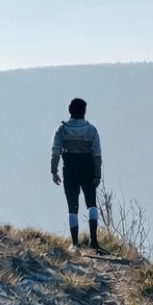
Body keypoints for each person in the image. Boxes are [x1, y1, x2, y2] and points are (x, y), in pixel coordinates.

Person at [50, 98, 102, 250]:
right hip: (88, 168)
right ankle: (94, 241)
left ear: (70, 111)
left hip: (70, 169)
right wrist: (97, 175)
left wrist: (54, 170)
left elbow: (55, 151)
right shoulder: (91, 130)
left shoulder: (62, 129)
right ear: (84, 111)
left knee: (72, 207)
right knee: (91, 204)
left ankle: (74, 244)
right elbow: (97, 155)